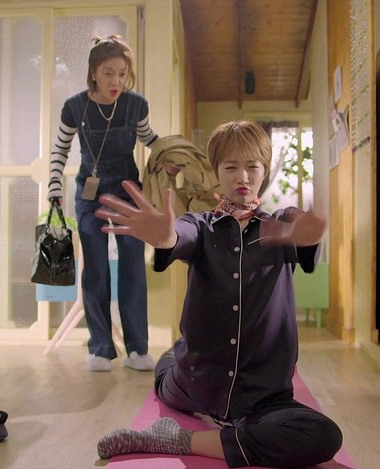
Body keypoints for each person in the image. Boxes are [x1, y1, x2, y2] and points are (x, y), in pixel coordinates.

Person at [93, 120, 343, 467]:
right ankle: (174, 358)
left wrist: (307, 233)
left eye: (252, 166)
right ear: (216, 171)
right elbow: (180, 234)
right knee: (167, 368)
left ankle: (178, 440)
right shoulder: (200, 225)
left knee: (324, 437)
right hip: (193, 383)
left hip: (262, 398)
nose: (243, 177)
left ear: (264, 170)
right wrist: (165, 237)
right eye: (231, 167)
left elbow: (295, 221)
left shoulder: (280, 227)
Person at [48, 34, 158, 372]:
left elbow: (150, 139)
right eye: (109, 73)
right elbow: (60, 150)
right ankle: (99, 349)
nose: (116, 82)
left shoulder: (136, 105)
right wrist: (54, 186)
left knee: (133, 267)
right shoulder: (74, 107)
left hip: (129, 192)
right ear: (93, 73)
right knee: (95, 269)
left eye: (122, 74)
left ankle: (138, 349)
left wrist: (172, 155)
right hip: (89, 193)